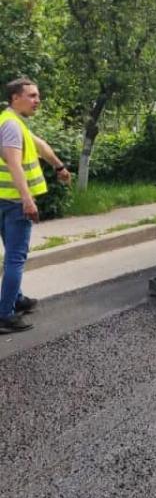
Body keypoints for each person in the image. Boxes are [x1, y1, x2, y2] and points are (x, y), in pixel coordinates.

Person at [0, 77, 71, 334]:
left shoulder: (13, 121)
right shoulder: (10, 125)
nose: (37, 100)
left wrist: (59, 166)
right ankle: (5, 315)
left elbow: (39, 145)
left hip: (5, 200)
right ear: (15, 98)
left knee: (11, 256)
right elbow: (13, 164)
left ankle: (15, 299)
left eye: (37, 95)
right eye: (31, 96)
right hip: (14, 202)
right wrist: (27, 200)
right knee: (16, 259)